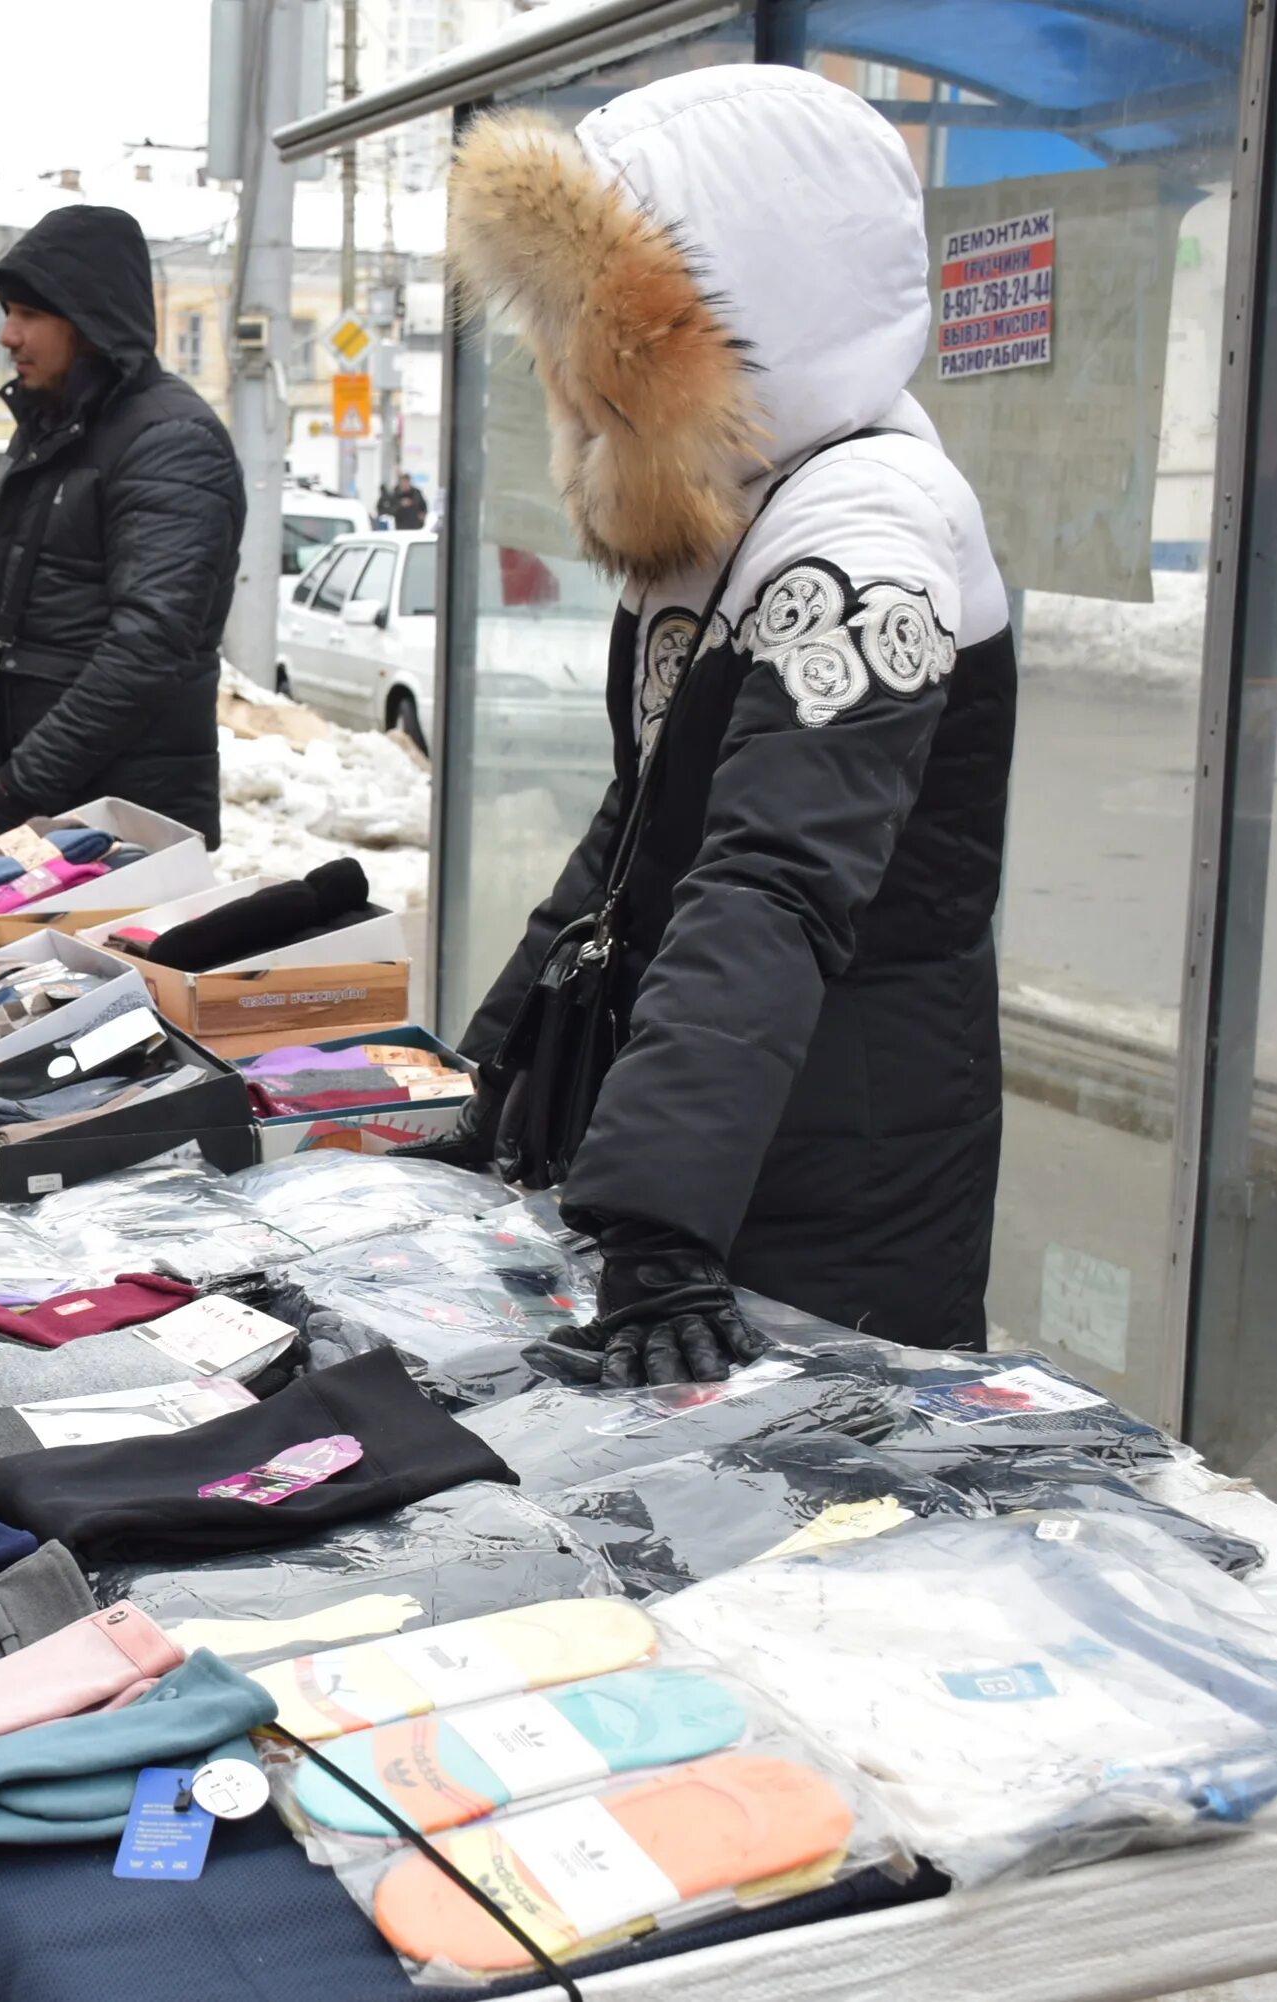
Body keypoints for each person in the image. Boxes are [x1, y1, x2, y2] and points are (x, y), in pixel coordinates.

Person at [408, 67, 1015, 1381]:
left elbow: (769, 884)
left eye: (602, 318)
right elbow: (640, 834)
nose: (569, 361)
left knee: (815, 1493)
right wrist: (506, 1081)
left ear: (749, 300)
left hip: (833, 1186)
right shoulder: (733, 509)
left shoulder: (868, 537)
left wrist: (660, 1228)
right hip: (730, 1150)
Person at [0, 204, 244, 849]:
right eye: (8, 312)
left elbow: (143, 654)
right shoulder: (56, 429)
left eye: (30, 315)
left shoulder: (170, 441)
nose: (8, 336)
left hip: (124, 826)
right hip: (54, 812)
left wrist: (13, 805)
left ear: (91, 320)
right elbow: (4, 617)